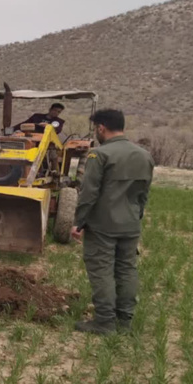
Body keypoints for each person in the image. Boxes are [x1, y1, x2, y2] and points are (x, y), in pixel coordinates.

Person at [71, 109, 154, 335]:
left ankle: (104, 322)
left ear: (101, 127)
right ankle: (125, 321)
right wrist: (135, 218)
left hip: (103, 225)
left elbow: (88, 193)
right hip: (130, 225)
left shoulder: (100, 155)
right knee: (127, 270)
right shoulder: (144, 155)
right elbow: (143, 195)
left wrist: (78, 222)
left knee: (102, 271)